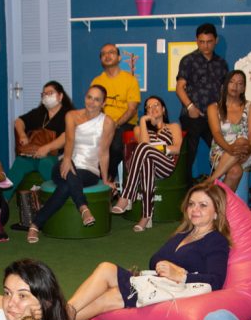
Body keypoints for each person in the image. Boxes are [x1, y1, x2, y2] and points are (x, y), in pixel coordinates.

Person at [68, 182, 230, 320]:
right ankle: (60, 319)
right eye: (192, 204)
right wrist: (163, 265)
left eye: (203, 205)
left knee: (109, 291)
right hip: (155, 283)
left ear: (216, 212)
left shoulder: (216, 241)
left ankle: (57, 319)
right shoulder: (184, 233)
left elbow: (216, 281)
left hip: (169, 291)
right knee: (106, 274)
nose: (195, 209)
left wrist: (181, 275)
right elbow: (155, 259)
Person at [27, 85, 115, 243]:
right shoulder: (72, 115)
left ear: (103, 103)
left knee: (67, 186)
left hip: (89, 170)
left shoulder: (108, 123)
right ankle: (83, 208)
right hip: (65, 163)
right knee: (69, 171)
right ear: (85, 97)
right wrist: (67, 159)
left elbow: (104, 152)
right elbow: (69, 140)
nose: (92, 102)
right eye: (89, 97)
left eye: (97, 99)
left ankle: (35, 225)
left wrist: (105, 178)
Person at [111, 96, 183, 231]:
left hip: (165, 164)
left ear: (163, 109)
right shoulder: (139, 129)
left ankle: (127, 196)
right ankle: (146, 216)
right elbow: (143, 143)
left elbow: (176, 149)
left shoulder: (173, 126)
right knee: (146, 160)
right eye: (149, 107)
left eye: (156, 105)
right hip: (146, 163)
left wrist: (157, 148)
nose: (153, 108)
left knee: (144, 149)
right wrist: (143, 121)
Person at [176, 24, 229, 182]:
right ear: (196, 41)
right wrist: (190, 107)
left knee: (220, 149)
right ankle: (184, 191)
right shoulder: (188, 60)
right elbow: (180, 88)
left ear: (216, 41)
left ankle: (218, 187)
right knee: (188, 155)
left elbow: (223, 90)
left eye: (209, 41)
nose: (205, 45)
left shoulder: (221, 64)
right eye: (201, 42)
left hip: (213, 117)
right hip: (192, 116)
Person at [91, 43, 140, 181]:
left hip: (124, 124)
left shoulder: (130, 80)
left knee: (116, 145)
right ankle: (90, 178)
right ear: (101, 59)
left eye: (111, 52)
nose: (107, 55)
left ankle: (106, 179)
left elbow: (132, 109)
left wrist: (115, 124)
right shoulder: (97, 81)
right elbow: (92, 108)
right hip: (101, 123)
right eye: (103, 54)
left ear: (119, 57)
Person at [207, 69, 251, 194]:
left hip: (246, 151)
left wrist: (249, 148)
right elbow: (216, 133)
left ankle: (211, 179)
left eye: (240, 83)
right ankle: (219, 208)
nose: (235, 86)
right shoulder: (213, 108)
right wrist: (229, 149)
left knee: (241, 141)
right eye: (232, 82)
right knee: (235, 171)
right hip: (221, 150)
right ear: (225, 85)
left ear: (243, 89)